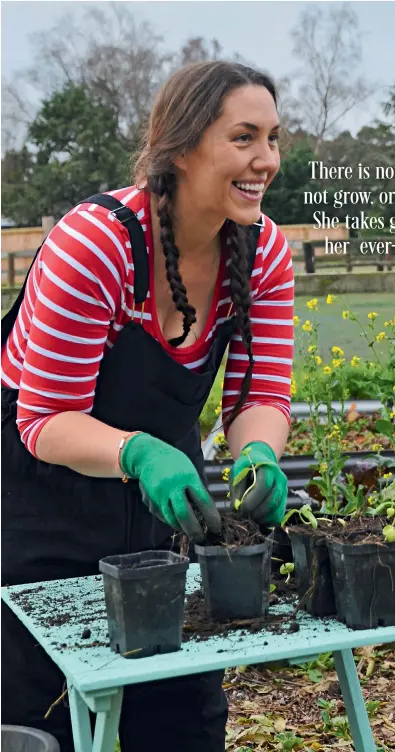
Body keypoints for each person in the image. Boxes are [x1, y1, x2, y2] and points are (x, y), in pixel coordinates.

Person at [1, 60, 294, 752]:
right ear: (184, 147)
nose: (268, 160)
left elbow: (261, 395)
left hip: (164, 499)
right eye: (244, 138)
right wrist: (134, 450)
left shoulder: (264, 251)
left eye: (274, 138)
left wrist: (258, 452)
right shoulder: (96, 244)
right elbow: (43, 420)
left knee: (181, 712)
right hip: (41, 496)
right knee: (50, 709)